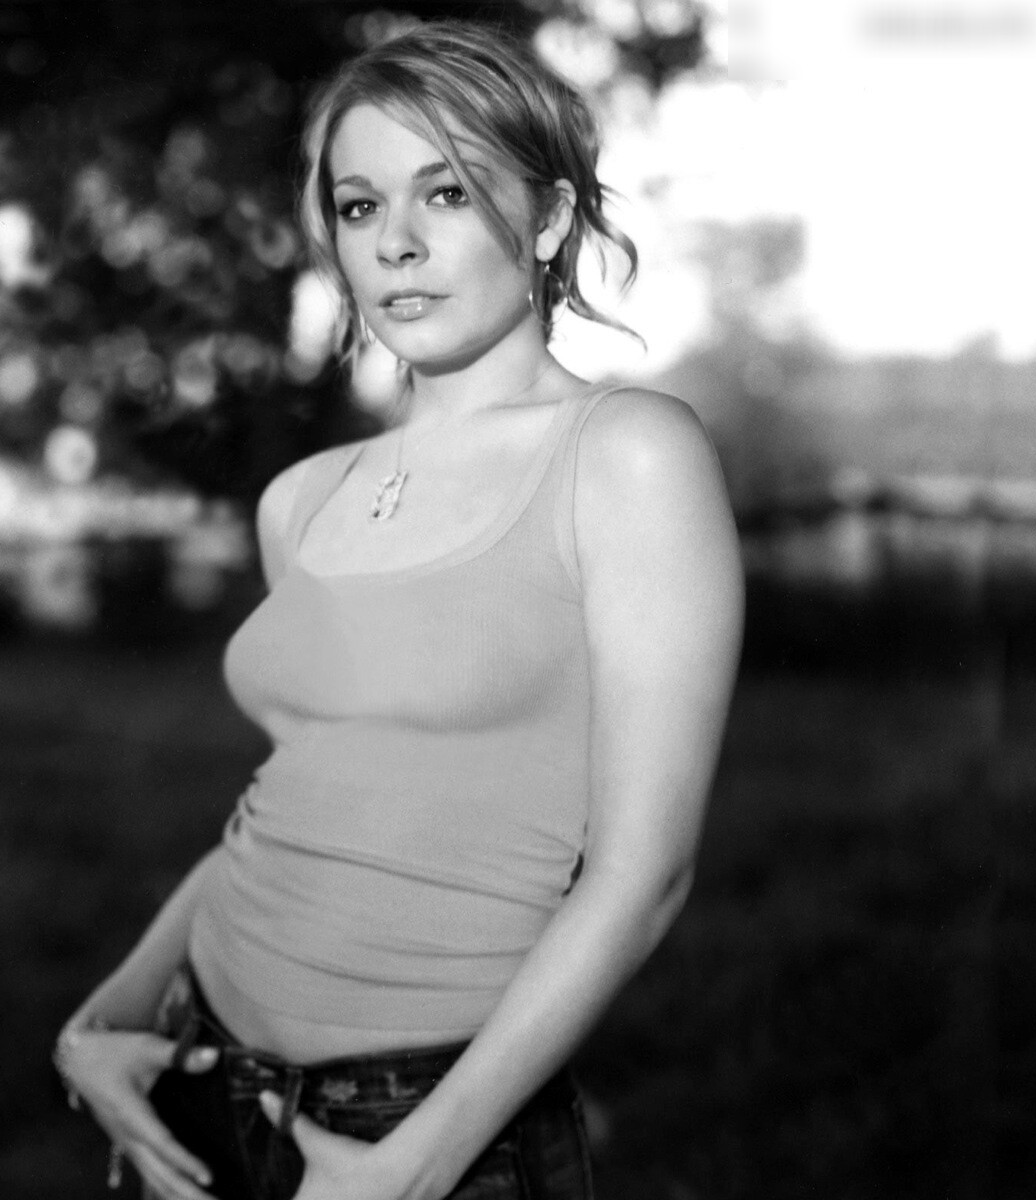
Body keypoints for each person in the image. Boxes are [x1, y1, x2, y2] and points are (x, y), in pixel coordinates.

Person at [53, 19, 743, 1200]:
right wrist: (101, 1023)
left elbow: (644, 875)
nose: (398, 243)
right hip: (194, 1086)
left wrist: (414, 1169)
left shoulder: (625, 455)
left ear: (547, 218)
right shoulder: (302, 500)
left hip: (422, 1131)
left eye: (449, 192)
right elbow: (296, 808)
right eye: (360, 206)